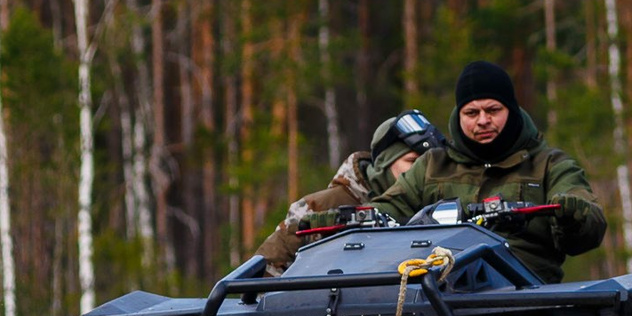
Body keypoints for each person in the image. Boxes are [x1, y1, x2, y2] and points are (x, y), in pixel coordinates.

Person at [367, 60, 608, 283]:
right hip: (440, 289)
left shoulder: (550, 164)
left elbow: (588, 222)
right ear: (459, 116)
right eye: (471, 113)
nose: (482, 120)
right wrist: (348, 218)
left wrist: (574, 214)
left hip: (525, 293)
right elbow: (388, 208)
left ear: (511, 110)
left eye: (492, 110)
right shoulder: (432, 165)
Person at [255, 110, 446, 270]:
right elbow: (264, 272)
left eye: (427, 164)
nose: (422, 172)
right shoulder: (319, 208)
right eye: (413, 162)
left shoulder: (435, 208)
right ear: (384, 164)